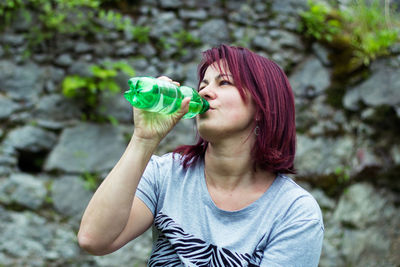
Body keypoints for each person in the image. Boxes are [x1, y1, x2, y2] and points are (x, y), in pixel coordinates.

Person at [78, 44, 324, 266]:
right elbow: (94, 239)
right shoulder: (167, 174)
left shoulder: (294, 213)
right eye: (203, 84)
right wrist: (143, 139)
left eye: (224, 82)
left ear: (261, 106)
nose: (204, 92)